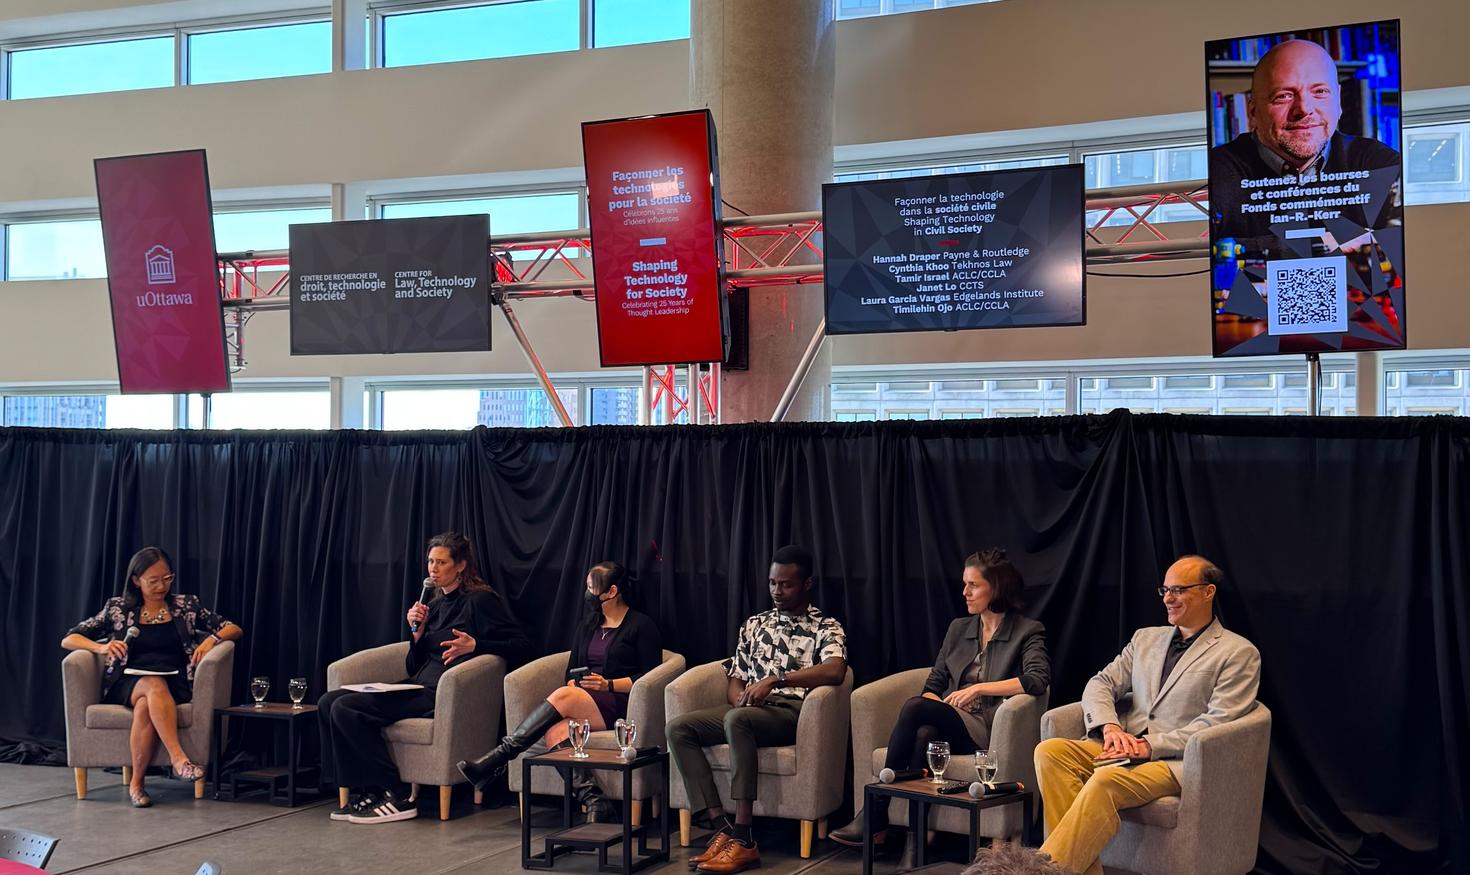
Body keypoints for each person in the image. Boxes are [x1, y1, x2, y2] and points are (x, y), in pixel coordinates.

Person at [1031, 555, 1261, 875]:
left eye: (1179, 589)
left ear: (1208, 592)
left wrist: (1150, 746)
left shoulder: (1238, 653)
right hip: (1121, 746)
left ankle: (1039, 871)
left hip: (1172, 761)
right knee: (1050, 752)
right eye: (1165, 590)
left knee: (1106, 780)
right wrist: (1111, 728)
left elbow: (1218, 721)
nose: (1168, 598)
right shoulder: (1145, 639)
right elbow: (1101, 683)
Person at [830, 547, 1049, 849]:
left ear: (996, 587)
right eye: (965, 584)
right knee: (925, 732)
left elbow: (1038, 680)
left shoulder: (1027, 631)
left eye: (974, 585)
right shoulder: (958, 629)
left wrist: (978, 689)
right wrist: (941, 706)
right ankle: (913, 846)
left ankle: (876, 812)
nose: (965, 592)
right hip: (951, 722)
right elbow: (934, 682)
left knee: (917, 708)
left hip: (986, 732)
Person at [318, 531, 530, 824]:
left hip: (438, 693)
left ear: (460, 566)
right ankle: (363, 792)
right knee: (329, 701)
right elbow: (412, 663)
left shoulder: (479, 601)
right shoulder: (435, 603)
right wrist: (417, 635)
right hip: (416, 683)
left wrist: (476, 645)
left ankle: (395, 794)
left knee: (347, 708)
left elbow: (521, 645)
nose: (433, 568)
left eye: (441, 562)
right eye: (430, 561)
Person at [668, 545, 848, 875]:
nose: (777, 591)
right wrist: (741, 697)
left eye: (786, 584)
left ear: (807, 584)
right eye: (772, 583)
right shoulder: (755, 624)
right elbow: (735, 677)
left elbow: (836, 670)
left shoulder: (826, 626)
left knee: (738, 720)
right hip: (751, 710)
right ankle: (720, 827)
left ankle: (745, 839)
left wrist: (775, 680)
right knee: (679, 728)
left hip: (792, 712)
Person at [457, 560, 662, 821]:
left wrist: (608, 684)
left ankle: (497, 759)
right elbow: (570, 671)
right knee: (556, 732)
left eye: (591, 588)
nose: (587, 593)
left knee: (564, 696)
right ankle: (595, 801)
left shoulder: (641, 626)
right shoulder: (587, 626)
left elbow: (651, 677)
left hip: (623, 703)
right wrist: (575, 684)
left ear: (611, 592)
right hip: (586, 701)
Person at [61, 546, 244, 808]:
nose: (162, 586)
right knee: (151, 685)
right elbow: (70, 638)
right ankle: (179, 758)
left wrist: (212, 640)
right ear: (136, 581)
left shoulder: (185, 606)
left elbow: (233, 628)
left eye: (167, 578)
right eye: (153, 580)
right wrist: (101, 648)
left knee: (148, 703)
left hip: (176, 681)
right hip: (127, 682)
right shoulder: (118, 609)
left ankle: (137, 784)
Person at [1209, 38, 1402, 259]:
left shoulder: (1381, 164)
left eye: (1320, 92)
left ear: (1338, 102)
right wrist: (1320, 243)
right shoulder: (1214, 174)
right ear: (1253, 112)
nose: (1304, 109)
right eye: (1284, 96)